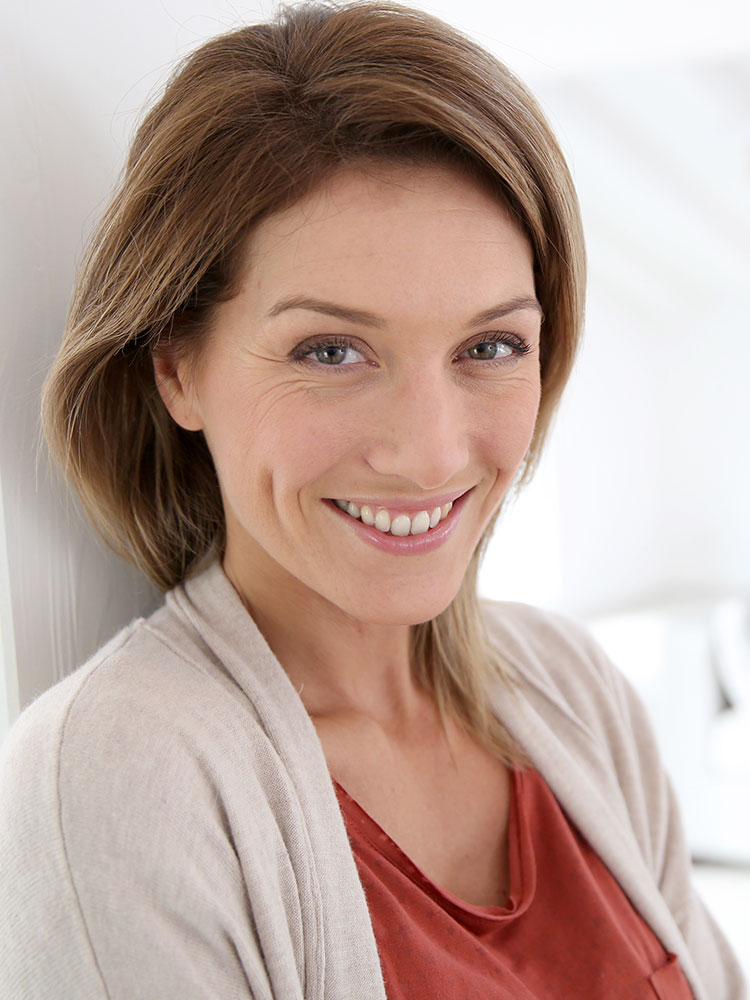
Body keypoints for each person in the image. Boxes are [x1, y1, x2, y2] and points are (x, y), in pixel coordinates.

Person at [0, 2, 745, 997]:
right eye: (333, 351)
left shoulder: (575, 689)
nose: (431, 450)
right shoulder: (112, 776)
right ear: (174, 363)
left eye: (489, 347)